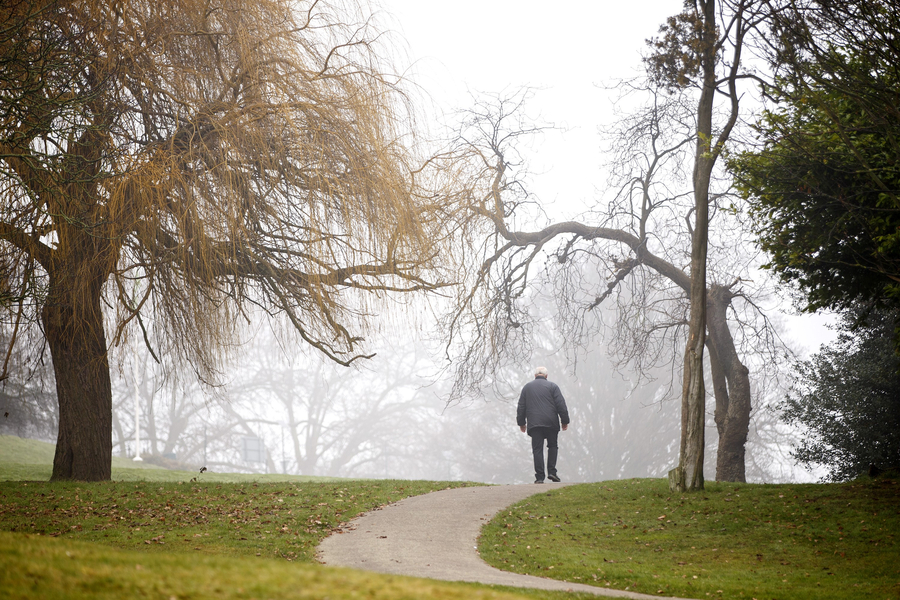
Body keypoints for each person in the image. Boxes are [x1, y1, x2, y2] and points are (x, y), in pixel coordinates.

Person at [516, 366, 569, 483]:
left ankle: (539, 477)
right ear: (546, 376)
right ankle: (552, 472)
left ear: (535, 375)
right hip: (551, 422)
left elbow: (521, 406)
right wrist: (564, 421)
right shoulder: (553, 386)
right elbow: (561, 404)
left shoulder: (527, 387)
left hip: (534, 423)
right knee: (553, 446)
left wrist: (521, 423)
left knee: (537, 449)